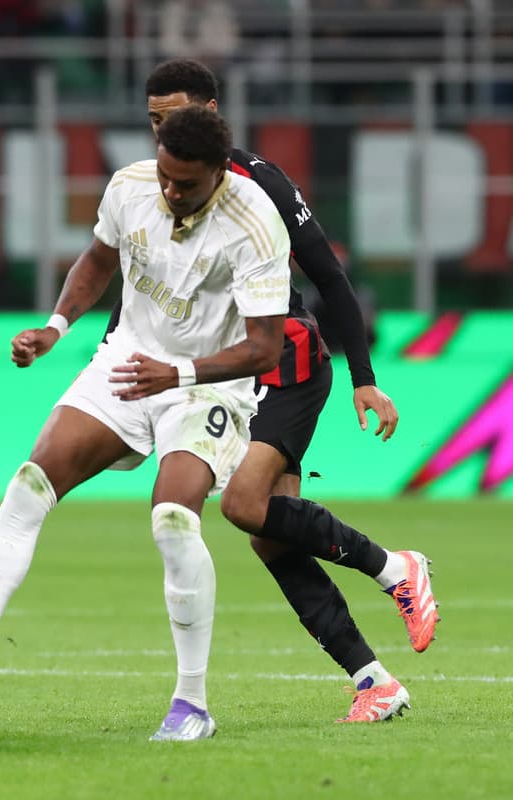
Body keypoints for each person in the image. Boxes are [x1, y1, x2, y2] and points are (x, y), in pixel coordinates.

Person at [0, 105, 295, 741]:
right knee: (30, 482)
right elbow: (98, 261)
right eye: (165, 176)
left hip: (207, 387)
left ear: (219, 173)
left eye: (185, 184)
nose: (170, 191)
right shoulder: (131, 187)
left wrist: (180, 375)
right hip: (126, 362)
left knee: (173, 520)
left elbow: (266, 348)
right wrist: (54, 329)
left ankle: (192, 704)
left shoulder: (256, 222)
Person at [132, 59, 436, 724]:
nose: (165, 132)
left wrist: (365, 379)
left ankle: (395, 566)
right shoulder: (159, 190)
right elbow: (138, 286)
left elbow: (329, 276)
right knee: (272, 538)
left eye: (177, 116)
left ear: (211, 113)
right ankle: (373, 680)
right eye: (155, 122)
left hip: (285, 365)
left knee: (244, 505)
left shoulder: (258, 183)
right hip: (227, 374)